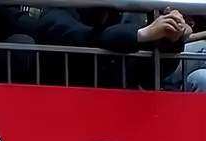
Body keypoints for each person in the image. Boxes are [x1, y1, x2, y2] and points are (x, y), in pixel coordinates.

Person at [37, 8, 190, 88]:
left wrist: (171, 39)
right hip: (65, 107)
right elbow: (93, 38)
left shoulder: (122, 14)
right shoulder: (56, 14)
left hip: (120, 112)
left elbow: (148, 77)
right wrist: (143, 33)